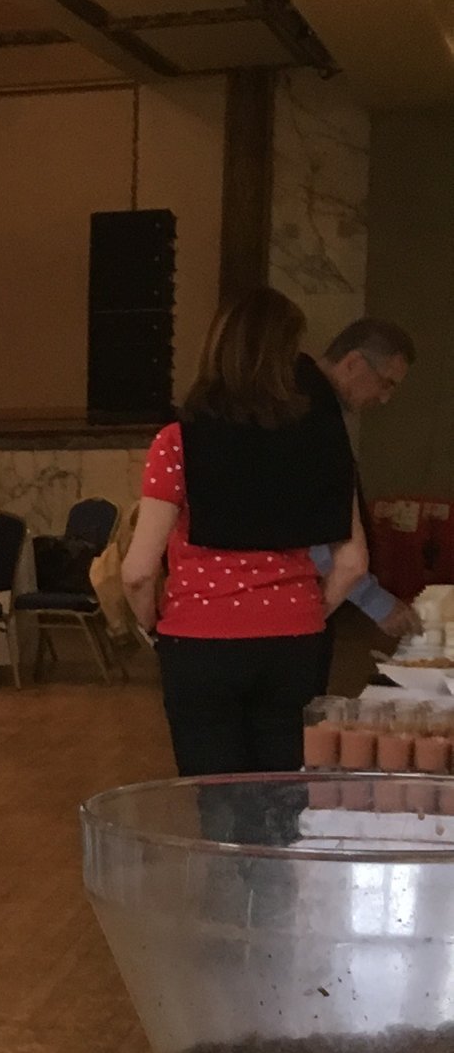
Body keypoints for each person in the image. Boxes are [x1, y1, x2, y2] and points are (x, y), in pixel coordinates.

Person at [123, 287, 367, 777]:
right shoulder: (322, 439)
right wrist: (303, 607)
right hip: (293, 641)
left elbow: (137, 571)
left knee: (218, 803)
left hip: (200, 642)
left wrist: (152, 623)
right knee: (282, 798)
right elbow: (352, 562)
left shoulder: (179, 440)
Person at [311, 317, 418, 685]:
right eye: (385, 383)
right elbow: (315, 532)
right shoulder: (312, 416)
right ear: (353, 363)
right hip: (292, 608)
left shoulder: (319, 410)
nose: (385, 398)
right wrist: (374, 600)